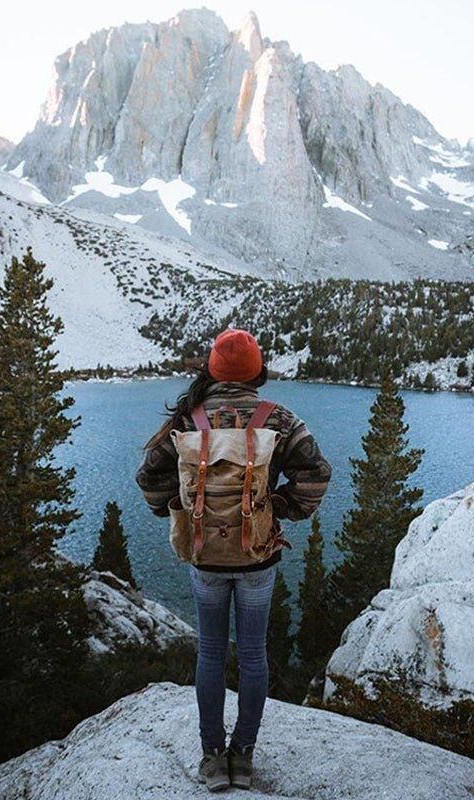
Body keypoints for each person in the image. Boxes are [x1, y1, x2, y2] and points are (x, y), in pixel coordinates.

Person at [135, 328, 332, 791]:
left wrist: (181, 509)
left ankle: (210, 757)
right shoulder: (278, 419)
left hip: (205, 559)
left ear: (213, 369)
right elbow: (317, 474)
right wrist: (277, 508)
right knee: (253, 655)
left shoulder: (189, 419)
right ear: (257, 371)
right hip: (257, 559)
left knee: (210, 653)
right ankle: (242, 757)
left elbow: (149, 476)